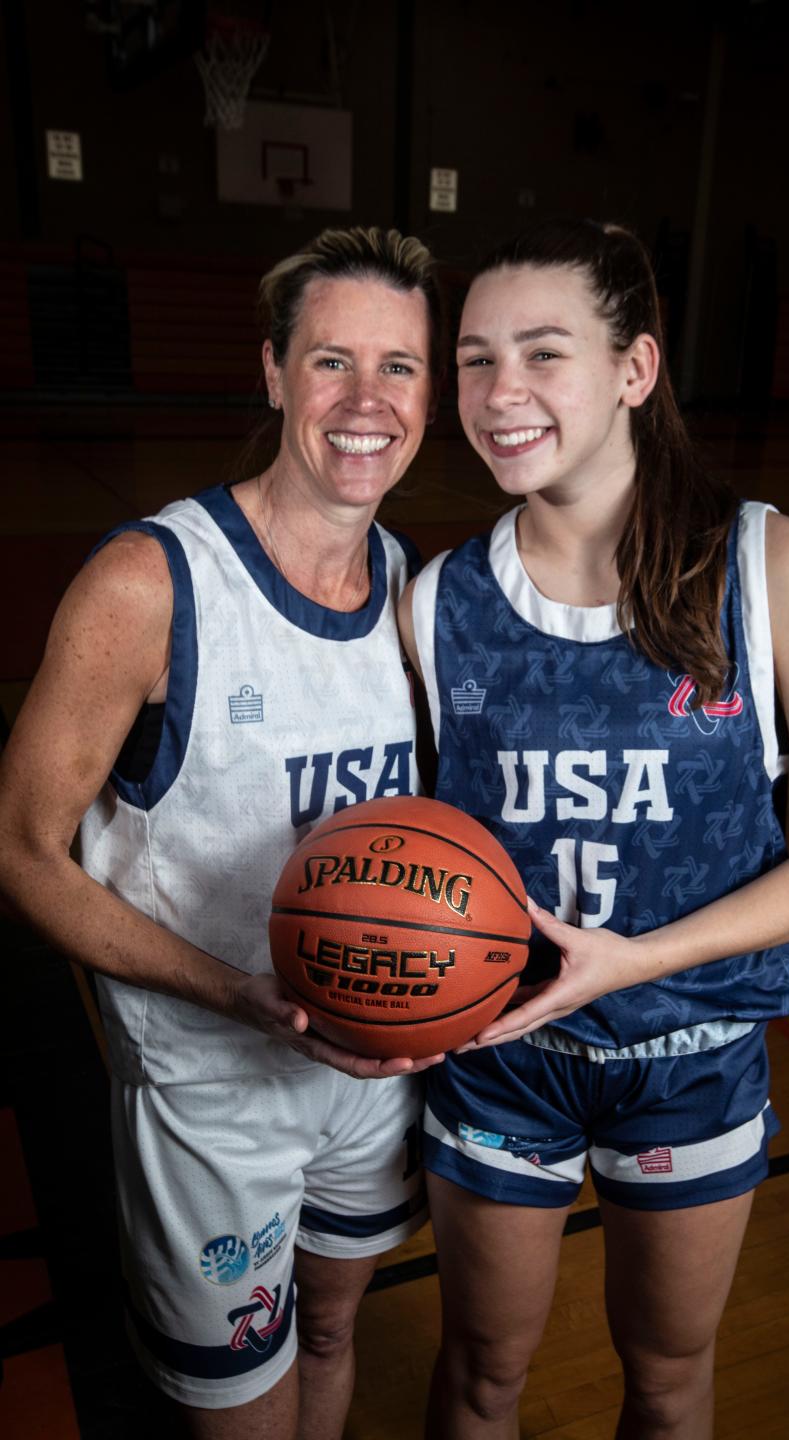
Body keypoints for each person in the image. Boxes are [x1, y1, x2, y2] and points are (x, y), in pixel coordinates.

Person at [398, 218, 789, 1439]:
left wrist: (641, 961)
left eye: (542, 353)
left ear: (635, 369)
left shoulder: (774, 569)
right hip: (501, 1047)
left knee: (669, 1387)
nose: (498, 392)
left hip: (691, 1050)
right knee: (479, 1377)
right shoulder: (436, 603)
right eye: (472, 359)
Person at [0, 226, 446, 1440]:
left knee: (340, 1331)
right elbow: (21, 852)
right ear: (271, 373)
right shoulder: (152, 586)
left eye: (400, 367)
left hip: (370, 1074)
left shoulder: (415, 592)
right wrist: (230, 989)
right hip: (211, 1090)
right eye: (331, 363)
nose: (368, 402)